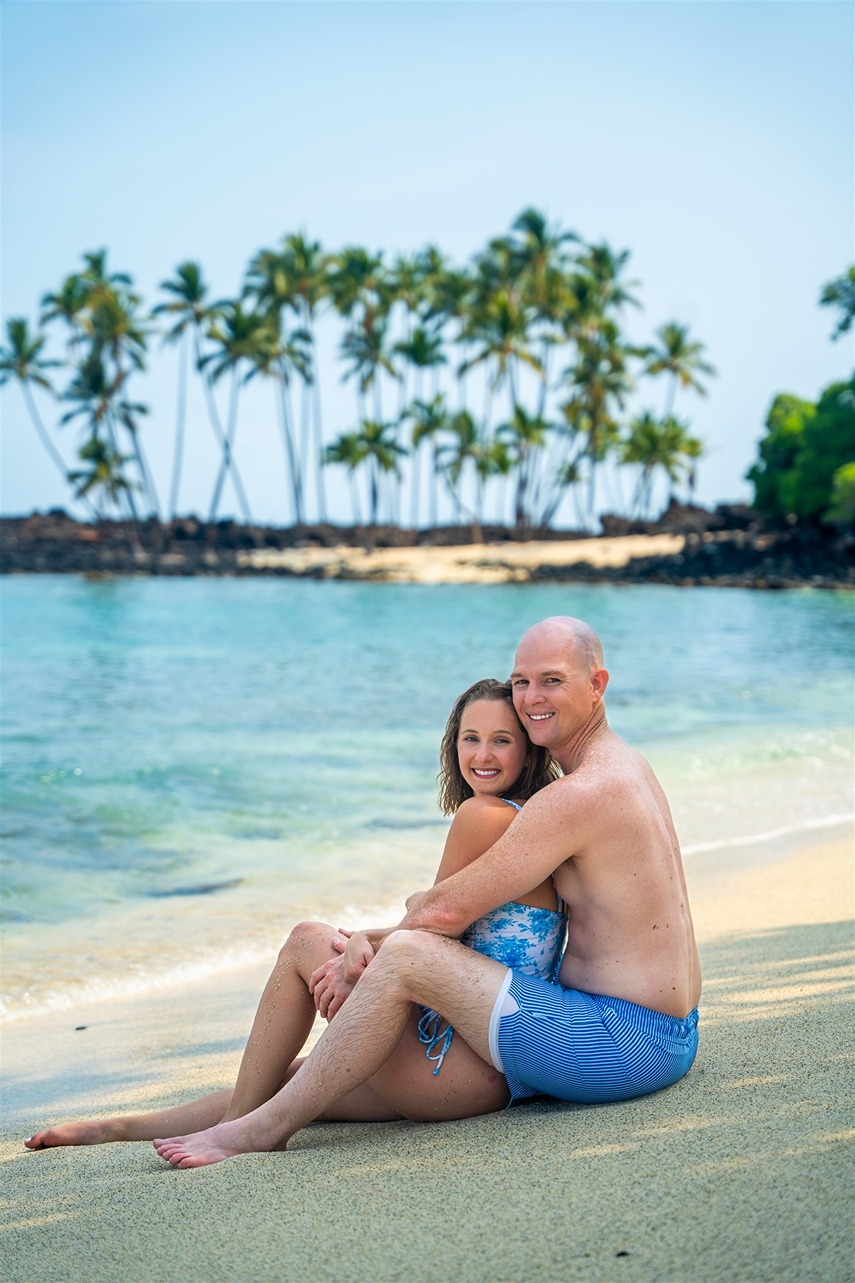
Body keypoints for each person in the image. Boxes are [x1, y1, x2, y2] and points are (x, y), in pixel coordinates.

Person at [153, 615, 702, 1169]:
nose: (532, 697)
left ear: (597, 685)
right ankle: (220, 1119)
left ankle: (263, 1129)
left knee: (409, 954)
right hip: (666, 1031)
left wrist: (364, 950)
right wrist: (371, 940)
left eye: (552, 680)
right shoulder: (629, 768)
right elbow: (455, 908)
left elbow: (445, 910)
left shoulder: (579, 794)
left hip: (625, 1043)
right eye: (521, 681)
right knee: (345, 981)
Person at [24, 678, 562, 1150]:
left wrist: (359, 950)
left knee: (308, 940)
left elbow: (433, 926)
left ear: (527, 752)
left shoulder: (483, 815)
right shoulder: (531, 823)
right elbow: (441, 930)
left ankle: (236, 1133)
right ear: (453, 744)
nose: (482, 755)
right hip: (488, 1077)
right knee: (285, 1084)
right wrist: (378, 937)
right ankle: (116, 1129)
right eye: (471, 738)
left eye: (501, 740)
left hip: (452, 1063)